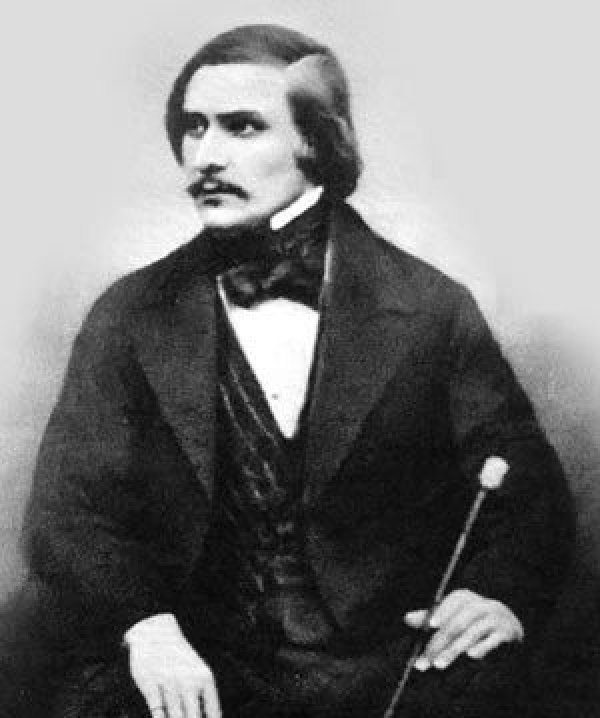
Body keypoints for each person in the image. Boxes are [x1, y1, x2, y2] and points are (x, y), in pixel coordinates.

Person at [1, 23, 573, 718]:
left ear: (318, 143)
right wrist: (146, 627)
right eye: (194, 127)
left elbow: (526, 485)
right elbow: (68, 511)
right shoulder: (129, 313)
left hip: (383, 658)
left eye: (242, 127)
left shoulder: (430, 308)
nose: (205, 156)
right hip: (192, 657)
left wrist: (496, 593)